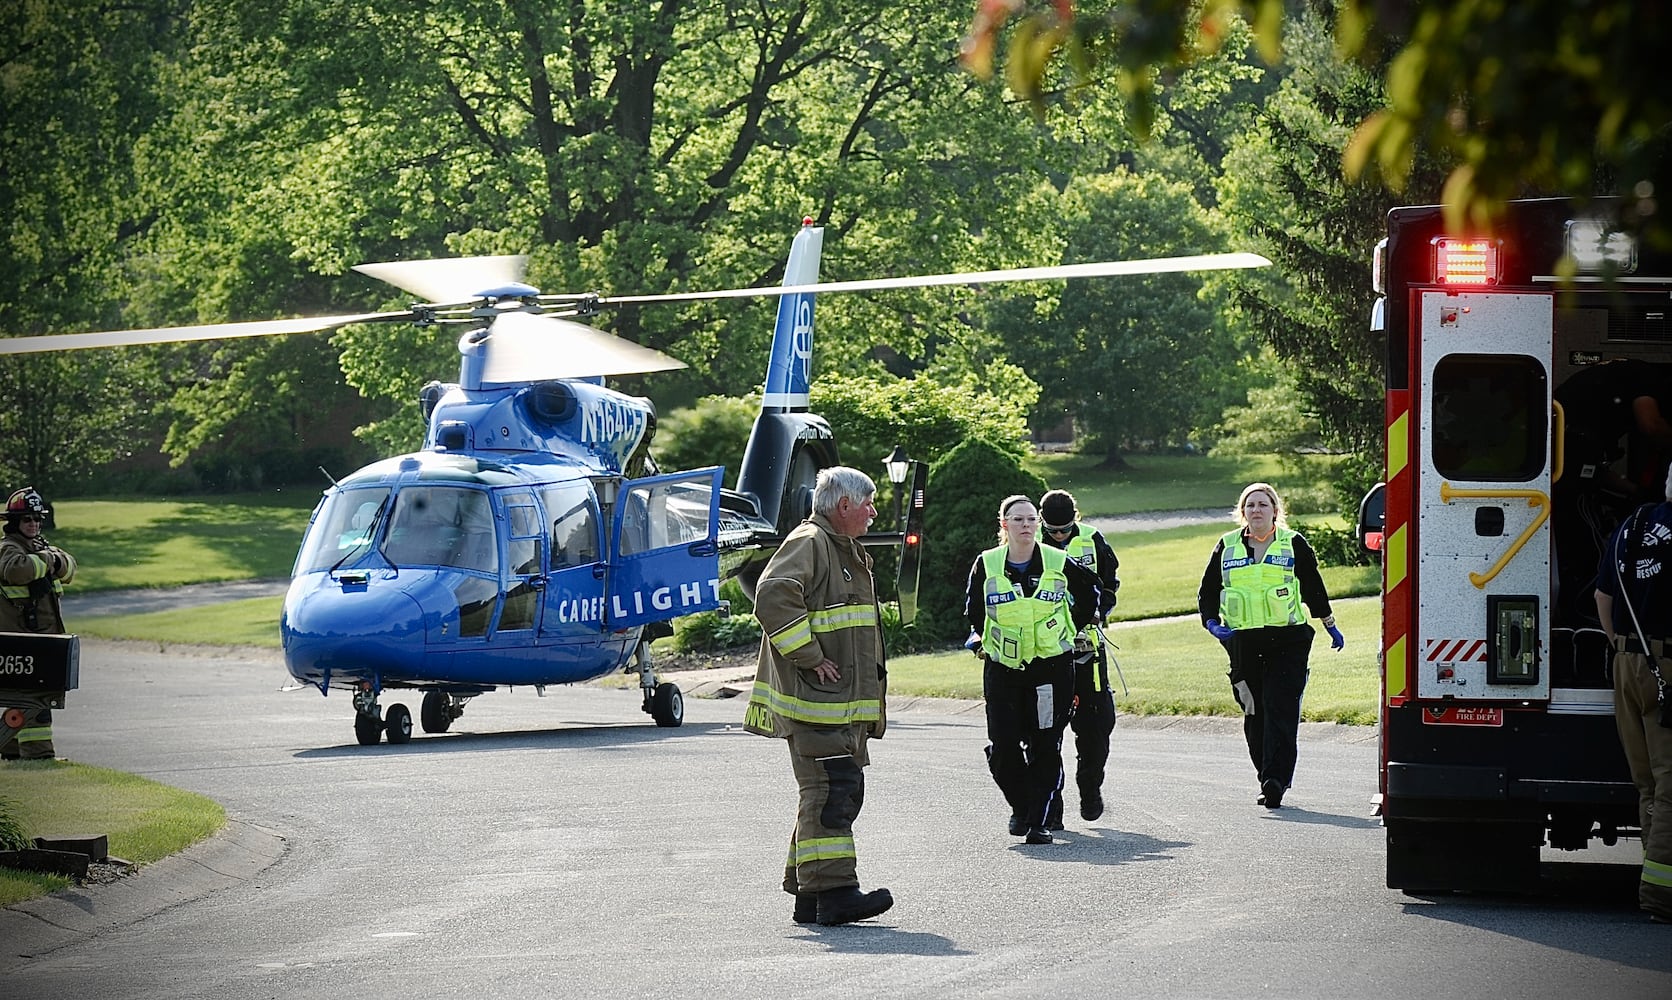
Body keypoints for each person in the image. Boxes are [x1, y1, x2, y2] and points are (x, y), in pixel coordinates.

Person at [742, 466, 892, 927]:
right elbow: (772, 596)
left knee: (829, 792)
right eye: (867, 502)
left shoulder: (840, 547)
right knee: (831, 793)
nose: (873, 511)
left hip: (834, 707)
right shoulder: (810, 542)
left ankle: (809, 894)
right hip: (816, 705)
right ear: (843, 505)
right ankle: (836, 894)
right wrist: (809, 656)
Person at [964, 494, 1102, 845]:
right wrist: (984, 639)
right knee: (1003, 748)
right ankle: (1022, 807)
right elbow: (975, 611)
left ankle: (1038, 821)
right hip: (1004, 670)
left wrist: (1073, 627)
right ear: (1004, 525)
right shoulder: (987, 563)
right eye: (1018, 519)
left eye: (1031, 520)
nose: (1026, 525)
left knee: (1045, 745)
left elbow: (1090, 593)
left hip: (1051, 670)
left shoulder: (1058, 561)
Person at [1197, 482, 1341, 809]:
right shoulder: (1227, 546)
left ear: (1275, 510)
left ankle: (1275, 781)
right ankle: (1265, 773)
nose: (1257, 510)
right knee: (1254, 711)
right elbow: (1207, 591)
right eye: (1251, 506)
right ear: (1242, 512)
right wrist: (1211, 623)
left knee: (1280, 707)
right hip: (1242, 642)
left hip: (1287, 641)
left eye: (1263, 504)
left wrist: (1329, 624)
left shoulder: (1293, 544)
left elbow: (1313, 588)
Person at [1593, 463, 1672, 924]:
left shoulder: (1632, 526)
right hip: (1668, 665)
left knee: (1647, 784)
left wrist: (1624, 649)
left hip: (1627, 661)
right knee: (1670, 786)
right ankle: (1660, 896)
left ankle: (1655, 874)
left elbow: (1603, 596)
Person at [1552, 360, 1672, 624]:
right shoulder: (1649, 377)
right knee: (1590, 545)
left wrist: (1635, 491)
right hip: (1568, 463)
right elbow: (1650, 424)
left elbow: (1595, 471)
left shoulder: (1611, 383)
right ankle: (1585, 613)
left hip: (1562, 456)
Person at [1037, 488, 1120, 826]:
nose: (1058, 536)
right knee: (1045, 733)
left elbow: (1110, 584)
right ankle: (1050, 806)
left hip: (1088, 651)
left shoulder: (1092, 540)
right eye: (1052, 530)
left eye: (1065, 529)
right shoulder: (1027, 545)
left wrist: (1100, 612)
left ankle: (1090, 785)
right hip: (1044, 654)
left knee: (1097, 728)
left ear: (1076, 519)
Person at [0, 487, 76, 760]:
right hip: (22, 642)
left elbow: (70, 567)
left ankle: (8, 748)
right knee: (38, 701)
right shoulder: (8, 549)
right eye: (27, 520)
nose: (33, 524)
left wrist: (51, 559)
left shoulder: (40, 547)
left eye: (37, 519)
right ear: (14, 523)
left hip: (41, 640)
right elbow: (17, 570)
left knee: (23, 699)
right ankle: (39, 754)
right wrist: (48, 559)